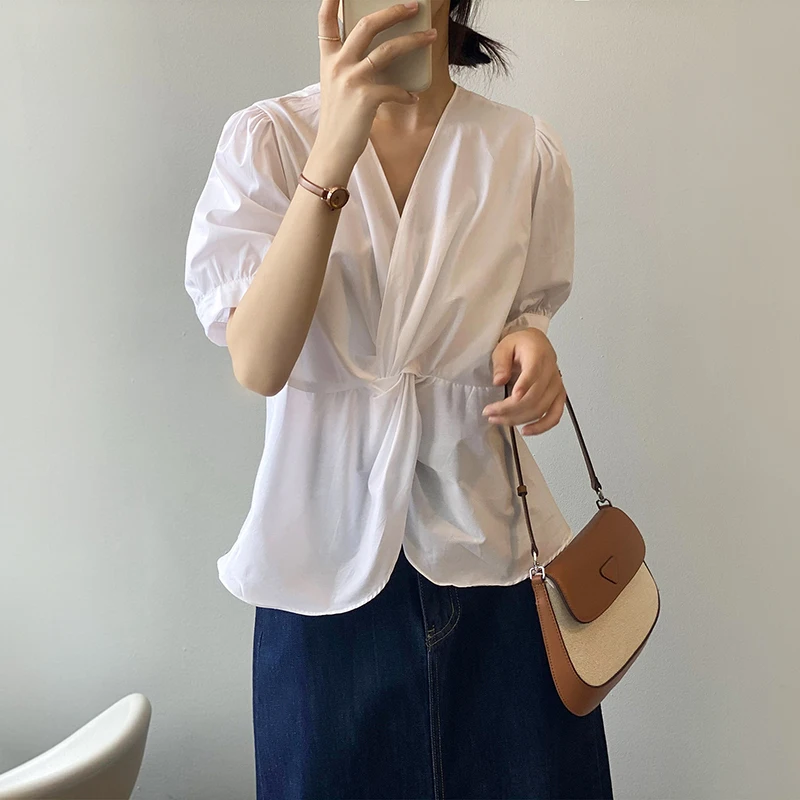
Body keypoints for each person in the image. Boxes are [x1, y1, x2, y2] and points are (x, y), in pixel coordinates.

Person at [184, 0, 614, 797]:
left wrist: (533, 349)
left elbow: (523, 316)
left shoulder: (524, 150)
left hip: (496, 570)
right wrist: (335, 147)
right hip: (321, 578)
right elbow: (259, 362)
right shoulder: (269, 140)